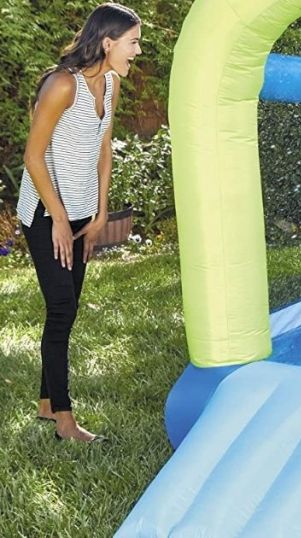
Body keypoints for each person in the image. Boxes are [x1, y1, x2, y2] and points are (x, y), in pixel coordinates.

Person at [18, 3, 142, 442]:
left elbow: (103, 148)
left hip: (82, 211)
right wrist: (56, 219)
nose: (137, 51)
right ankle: (65, 421)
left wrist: (100, 212)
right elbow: (33, 157)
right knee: (62, 308)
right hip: (44, 212)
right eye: (132, 42)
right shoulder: (60, 86)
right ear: (108, 43)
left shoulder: (109, 85)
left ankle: (46, 403)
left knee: (67, 304)